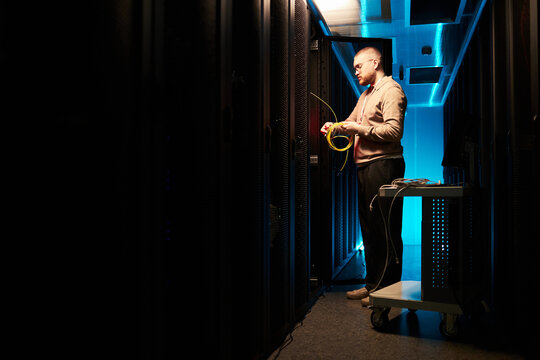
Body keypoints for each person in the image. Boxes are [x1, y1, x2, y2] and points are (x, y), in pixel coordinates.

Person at [320, 47, 407, 306]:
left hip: (384, 166)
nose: (355, 70)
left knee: (385, 230)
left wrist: (358, 129)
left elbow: (394, 131)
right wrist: (335, 128)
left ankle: (387, 291)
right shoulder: (367, 94)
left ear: (375, 62)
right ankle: (372, 285)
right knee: (369, 230)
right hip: (366, 167)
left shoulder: (391, 90)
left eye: (358, 66)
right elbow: (351, 122)